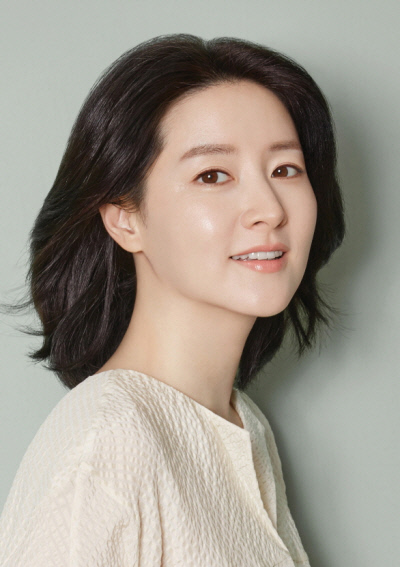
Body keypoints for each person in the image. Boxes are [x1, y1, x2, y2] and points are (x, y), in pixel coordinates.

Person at [0, 33, 345, 566]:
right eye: (213, 175)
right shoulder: (105, 443)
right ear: (125, 218)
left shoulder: (243, 424)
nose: (270, 209)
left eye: (285, 169)